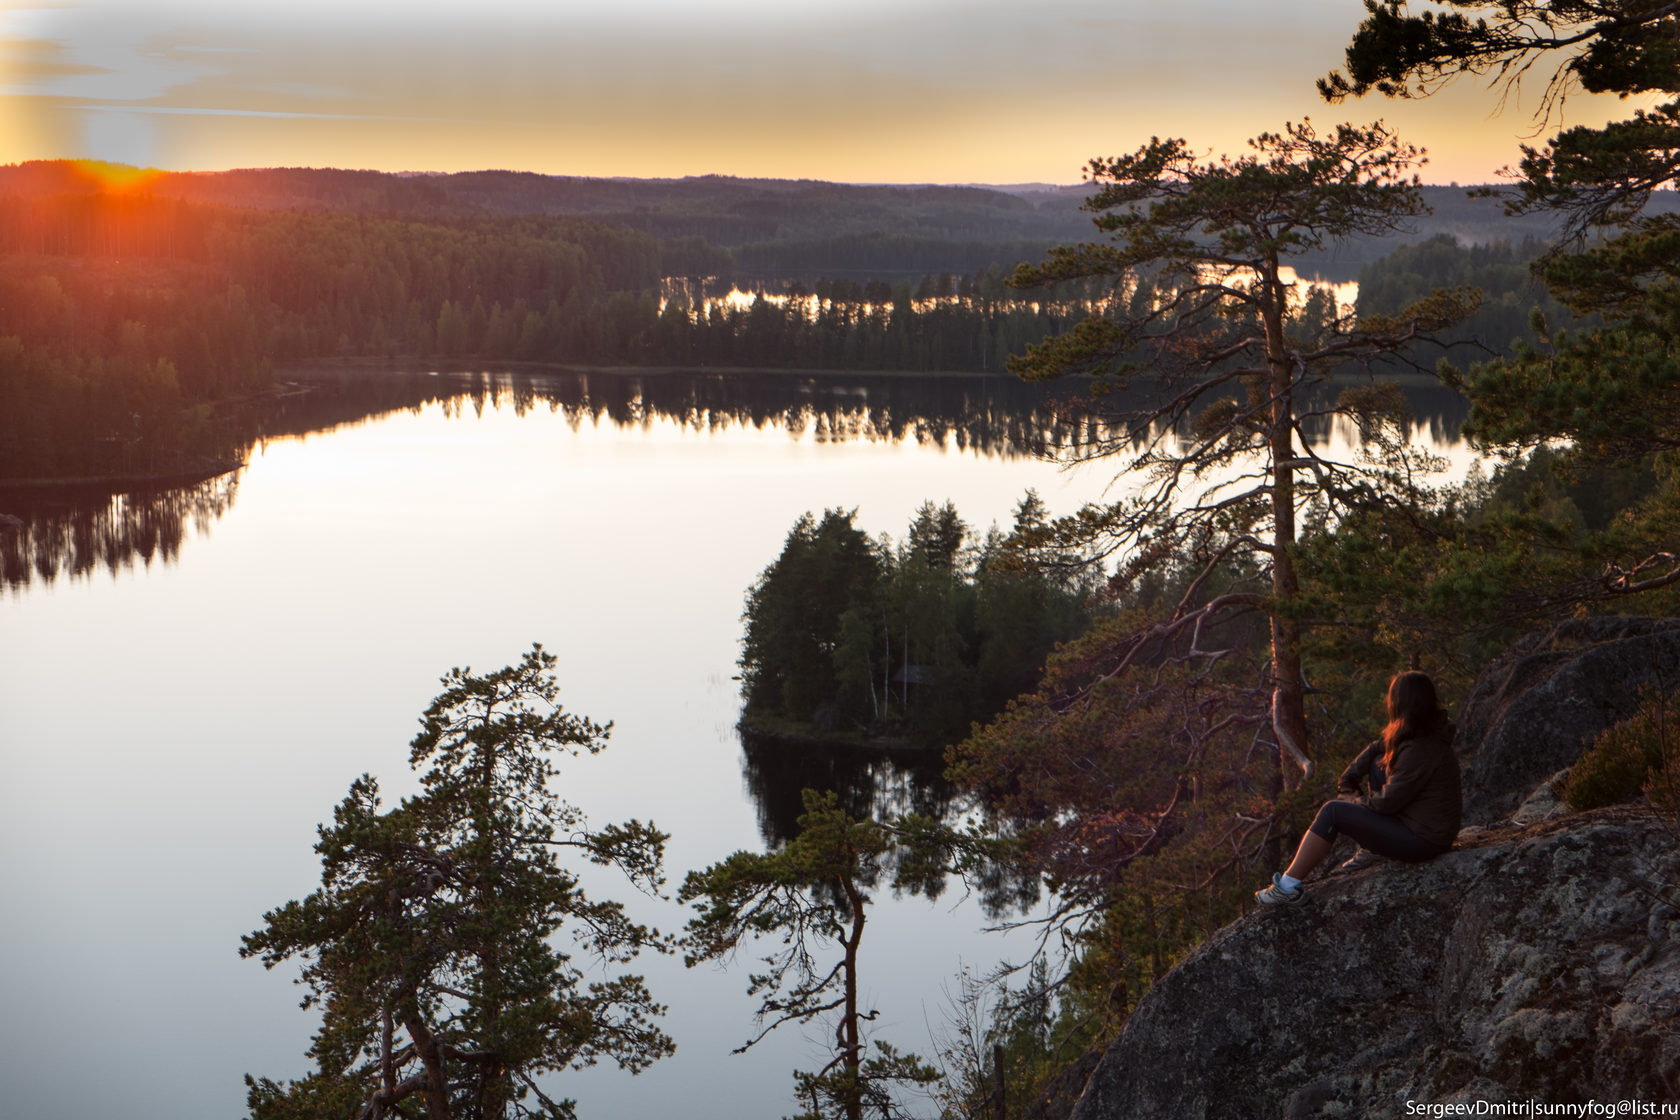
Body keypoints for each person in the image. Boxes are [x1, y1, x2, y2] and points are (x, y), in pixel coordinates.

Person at [1255, 671, 1462, 905]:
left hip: (1424, 841)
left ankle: (1287, 887)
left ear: (1399, 703)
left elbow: (1387, 803)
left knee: (1333, 811)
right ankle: (1373, 850)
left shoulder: (1420, 749)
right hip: (1421, 828)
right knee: (1378, 762)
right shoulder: (1420, 734)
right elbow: (1378, 748)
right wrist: (1348, 781)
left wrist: (1355, 802)